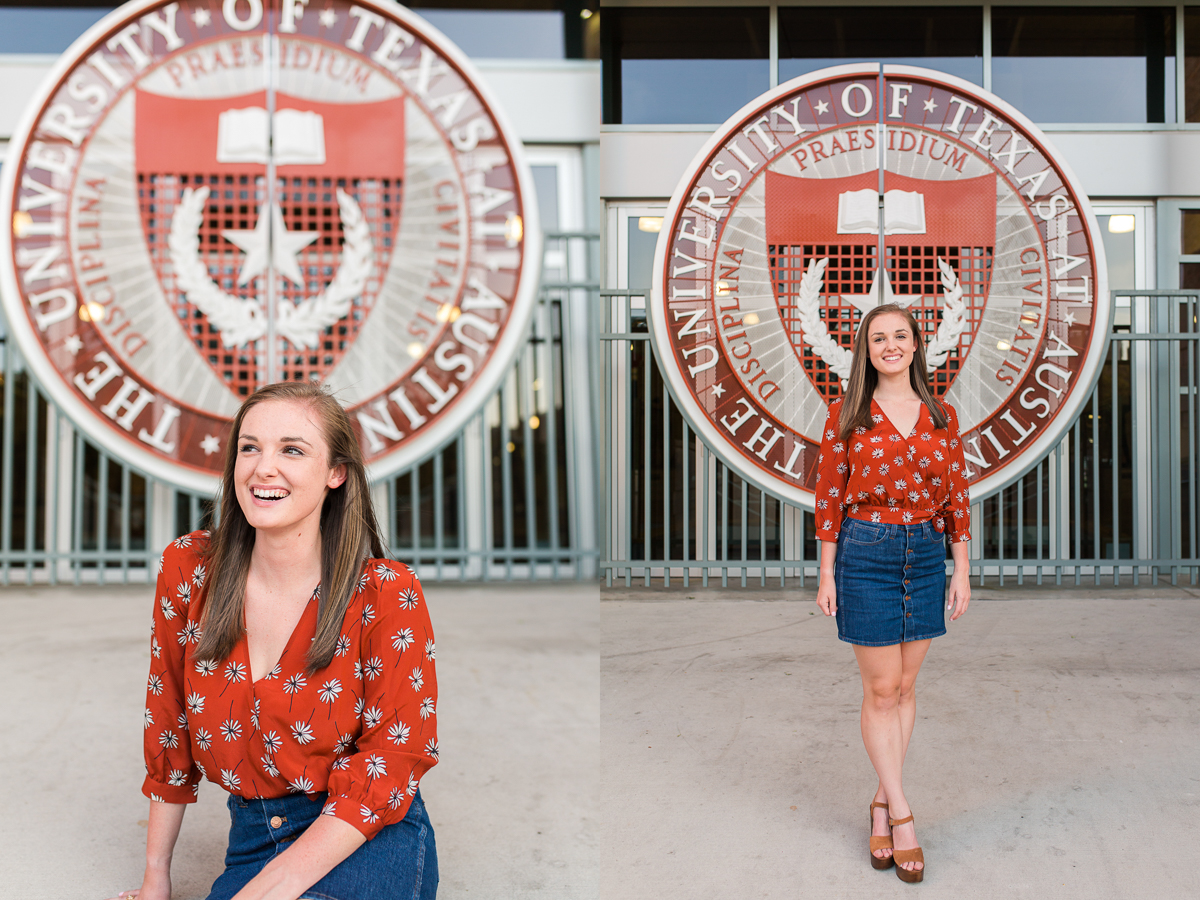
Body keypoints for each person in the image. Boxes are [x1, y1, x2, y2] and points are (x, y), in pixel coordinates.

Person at [108, 382, 438, 900]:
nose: (263, 468)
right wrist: (156, 878)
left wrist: (274, 887)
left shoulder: (385, 593)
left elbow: (396, 757)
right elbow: (168, 724)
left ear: (336, 473)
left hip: (360, 832)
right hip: (254, 837)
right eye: (250, 447)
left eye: (292, 450)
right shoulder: (191, 570)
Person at [813, 303, 971, 884]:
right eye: (878, 338)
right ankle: (903, 814)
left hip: (927, 554)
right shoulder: (846, 416)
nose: (890, 345)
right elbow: (829, 497)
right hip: (866, 553)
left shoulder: (940, 414)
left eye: (900, 336)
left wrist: (962, 569)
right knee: (881, 689)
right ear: (866, 349)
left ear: (915, 345)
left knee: (906, 686)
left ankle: (881, 799)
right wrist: (827, 571)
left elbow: (958, 495)